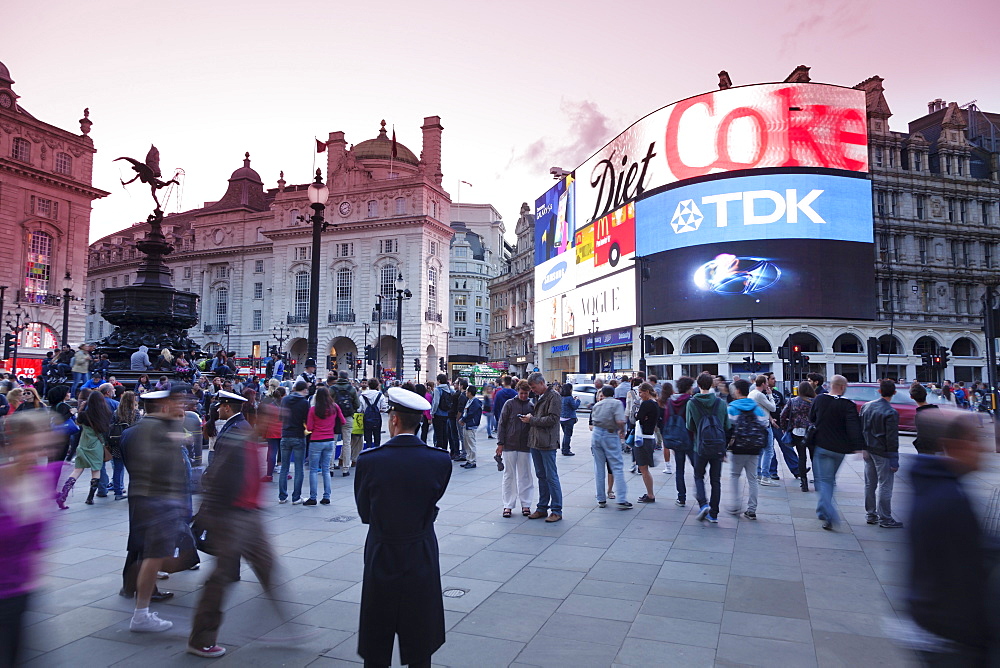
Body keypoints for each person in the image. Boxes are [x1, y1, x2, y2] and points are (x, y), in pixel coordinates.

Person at [353, 387, 452, 668]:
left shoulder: (370, 461)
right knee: (420, 629)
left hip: (382, 548)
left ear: (394, 420)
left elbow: (365, 513)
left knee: (377, 629)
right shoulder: (440, 460)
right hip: (421, 548)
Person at [188, 390, 275, 659]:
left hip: (248, 514)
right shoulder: (239, 435)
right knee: (220, 578)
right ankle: (201, 638)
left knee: (267, 567)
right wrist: (213, 514)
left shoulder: (244, 433)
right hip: (232, 516)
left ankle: (290, 624)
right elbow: (216, 476)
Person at [903, 410, 989, 665]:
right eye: (975, 439)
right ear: (953, 446)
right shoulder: (948, 501)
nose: (982, 448)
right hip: (953, 637)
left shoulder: (933, 487)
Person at [120, 387, 194, 633]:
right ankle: (140, 614)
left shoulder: (151, 427)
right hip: (156, 501)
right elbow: (156, 465)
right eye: (177, 404)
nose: (181, 408)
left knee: (150, 556)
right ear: (164, 406)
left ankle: (138, 603)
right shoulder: (153, 429)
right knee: (151, 557)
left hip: (151, 501)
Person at [0, 411, 61, 667]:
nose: (35, 455)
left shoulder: (45, 478)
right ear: (11, 444)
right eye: (29, 447)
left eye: (43, 448)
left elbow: (40, 538)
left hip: (21, 590)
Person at [809, 375, 864, 530]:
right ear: (842, 387)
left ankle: (829, 513)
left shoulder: (819, 400)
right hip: (840, 449)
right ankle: (821, 510)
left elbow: (811, 417)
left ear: (830, 385)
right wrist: (859, 447)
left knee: (823, 481)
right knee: (829, 480)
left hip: (822, 446)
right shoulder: (848, 405)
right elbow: (854, 427)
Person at [55, 391, 112, 508]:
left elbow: (78, 423)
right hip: (97, 445)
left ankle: (63, 495)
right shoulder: (107, 414)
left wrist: (81, 408)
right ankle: (90, 497)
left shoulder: (83, 415)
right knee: (96, 471)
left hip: (83, 444)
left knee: (77, 470)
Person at [686, 373, 731, 523]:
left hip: (700, 445)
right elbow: (727, 426)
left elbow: (689, 426)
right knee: (715, 480)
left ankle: (703, 504)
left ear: (698, 385)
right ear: (712, 384)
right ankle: (714, 514)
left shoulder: (692, 403)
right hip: (718, 446)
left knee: (699, 475)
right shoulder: (720, 403)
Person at [521, 372, 564, 523]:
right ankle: (542, 507)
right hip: (536, 441)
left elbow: (553, 419)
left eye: (533, 387)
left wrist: (532, 420)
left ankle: (556, 510)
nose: (532, 390)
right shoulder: (540, 396)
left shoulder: (554, 396)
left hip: (547, 442)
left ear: (541, 383)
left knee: (551, 476)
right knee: (541, 476)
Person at [861, 379, 903, 528]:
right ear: (894, 393)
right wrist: (894, 459)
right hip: (882, 451)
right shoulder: (891, 412)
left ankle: (871, 514)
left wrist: (863, 447)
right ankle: (885, 517)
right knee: (885, 484)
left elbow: (862, 429)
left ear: (879, 391)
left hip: (869, 449)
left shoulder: (867, 407)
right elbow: (892, 438)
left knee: (869, 484)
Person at [725, 379, 769, 520]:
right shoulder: (756, 408)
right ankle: (752, 510)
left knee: (734, 476)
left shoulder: (731, 408)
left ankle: (736, 505)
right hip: (755, 448)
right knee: (752, 478)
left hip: (738, 448)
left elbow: (727, 429)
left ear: (737, 391)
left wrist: (724, 448)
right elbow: (764, 425)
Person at [496, 380, 535, 517]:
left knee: (525, 475)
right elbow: (502, 424)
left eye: (526, 393)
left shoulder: (531, 406)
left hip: (525, 445)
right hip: (509, 444)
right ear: (517, 391)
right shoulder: (509, 404)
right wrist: (500, 443)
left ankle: (526, 504)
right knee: (509, 475)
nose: (524, 395)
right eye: (522, 393)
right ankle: (508, 505)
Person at [590, 385, 632, 510]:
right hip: (609, 434)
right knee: (617, 466)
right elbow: (620, 420)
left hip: (596, 434)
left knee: (599, 467)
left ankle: (601, 498)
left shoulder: (598, 404)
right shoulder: (616, 403)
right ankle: (621, 499)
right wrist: (622, 431)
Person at [305, 386, 345, 506]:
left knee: (313, 470)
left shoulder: (313, 409)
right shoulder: (334, 407)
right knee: (326, 469)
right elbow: (343, 421)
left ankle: (313, 497)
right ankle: (326, 496)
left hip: (316, 440)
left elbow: (309, 427)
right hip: (330, 440)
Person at [660, 377, 695, 506]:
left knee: (679, 469)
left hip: (676, 438)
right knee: (697, 468)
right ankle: (700, 495)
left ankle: (681, 497)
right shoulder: (691, 401)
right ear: (688, 388)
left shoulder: (670, 401)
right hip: (689, 438)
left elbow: (666, 419)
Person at [780, 382, 816, 492]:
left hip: (797, 431)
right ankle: (817, 481)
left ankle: (804, 483)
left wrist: (785, 427)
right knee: (814, 457)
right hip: (812, 432)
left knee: (802, 457)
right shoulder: (814, 401)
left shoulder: (793, 401)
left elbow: (783, 415)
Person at [278, 380, 310, 504]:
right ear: (304, 390)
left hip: (285, 435)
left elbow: (280, 417)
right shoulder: (304, 402)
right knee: (298, 468)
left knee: (284, 468)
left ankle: (282, 496)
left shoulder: (285, 400)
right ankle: (296, 497)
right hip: (298, 436)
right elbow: (307, 420)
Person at [634, 382, 660, 503]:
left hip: (643, 438)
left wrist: (637, 415)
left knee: (643, 469)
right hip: (650, 437)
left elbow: (638, 417)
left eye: (640, 392)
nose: (639, 395)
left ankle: (650, 495)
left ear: (647, 392)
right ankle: (650, 494)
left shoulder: (646, 403)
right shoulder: (655, 403)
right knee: (644, 468)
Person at [331, 371, 360, 476]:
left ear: (338, 377)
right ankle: (345, 468)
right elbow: (357, 404)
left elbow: (328, 402)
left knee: (333, 442)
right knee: (347, 442)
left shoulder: (333, 389)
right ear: (347, 378)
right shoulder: (351, 389)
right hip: (347, 417)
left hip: (334, 418)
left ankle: (331, 468)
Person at [360, 378, 387, 450]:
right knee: (377, 436)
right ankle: (377, 451)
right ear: (377, 385)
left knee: (368, 437)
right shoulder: (380, 395)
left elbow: (359, 409)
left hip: (366, 419)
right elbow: (384, 408)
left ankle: (368, 450)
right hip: (377, 419)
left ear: (368, 385)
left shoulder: (362, 395)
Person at [459, 386, 482, 469]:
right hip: (467, 424)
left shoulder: (475, 402)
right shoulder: (470, 401)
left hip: (471, 424)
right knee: (466, 443)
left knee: (470, 443)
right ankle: (469, 459)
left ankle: (472, 461)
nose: (465, 392)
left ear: (470, 392)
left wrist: (463, 419)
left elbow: (471, 413)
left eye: (467, 391)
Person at [430, 374, 455, 454]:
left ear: (439, 381)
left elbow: (436, 402)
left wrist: (432, 412)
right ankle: (445, 449)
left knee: (438, 433)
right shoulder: (449, 389)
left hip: (438, 414)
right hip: (446, 414)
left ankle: (439, 449)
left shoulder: (437, 389)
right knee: (445, 433)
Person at [656, 384, 674, 474]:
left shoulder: (660, 401)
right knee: (676, 445)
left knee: (665, 446)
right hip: (674, 424)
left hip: (664, 424)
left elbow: (658, 414)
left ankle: (668, 466)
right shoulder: (674, 399)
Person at [559, 383, 580, 456]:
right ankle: (566, 450)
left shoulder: (561, 397)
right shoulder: (569, 398)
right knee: (568, 435)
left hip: (561, 418)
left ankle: (564, 449)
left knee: (565, 435)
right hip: (569, 419)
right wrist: (578, 401)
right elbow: (574, 407)